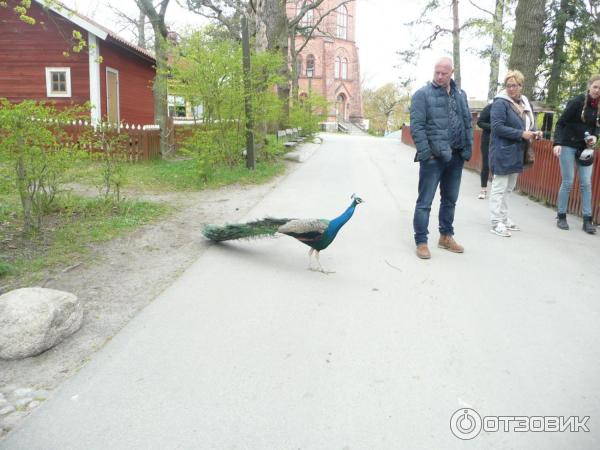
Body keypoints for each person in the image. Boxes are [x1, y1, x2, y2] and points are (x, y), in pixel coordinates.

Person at [410, 57, 473, 259]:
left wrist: (466, 148)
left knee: (450, 200)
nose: (439, 76)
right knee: (425, 202)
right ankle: (421, 241)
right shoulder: (422, 94)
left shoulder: (460, 94)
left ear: (451, 73)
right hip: (433, 158)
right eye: (436, 72)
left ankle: (446, 236)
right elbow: (417, 127)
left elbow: (467, 122)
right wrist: (426, 154)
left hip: (456, 156)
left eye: (443, 73)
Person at [489, 70, 542, 237]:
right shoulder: (500, 102)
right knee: (499, 187)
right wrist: (520, 134)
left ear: (521, 86)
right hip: (502, 150)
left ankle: (503, 218)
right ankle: (495, 221)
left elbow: (528, 125)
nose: (511, 89)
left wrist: (534, 132)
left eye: (515, 85)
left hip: (518, 151)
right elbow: (497, 127)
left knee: (509, 188)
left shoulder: (525, 102)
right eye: (508, 85)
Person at [552, 74, 599, 234]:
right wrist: (557, 143)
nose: (597, 91)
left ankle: (587, 220)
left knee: (586, 183)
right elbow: (561, 123)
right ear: (589, 86)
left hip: (585, 148)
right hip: (568, 145)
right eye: (595, 87)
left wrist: (595, 136)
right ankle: (561, 216)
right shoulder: (577, 102)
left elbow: (597, 127)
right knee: (568, 181)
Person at [476, 102, 492, 199]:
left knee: (498, 166)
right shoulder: (490, 108)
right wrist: (493, 127)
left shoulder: (508, 107)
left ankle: (496, 191)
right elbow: (480, 122)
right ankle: (483, 189)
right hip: (487, 141)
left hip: (502, 142)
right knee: (486, 164)